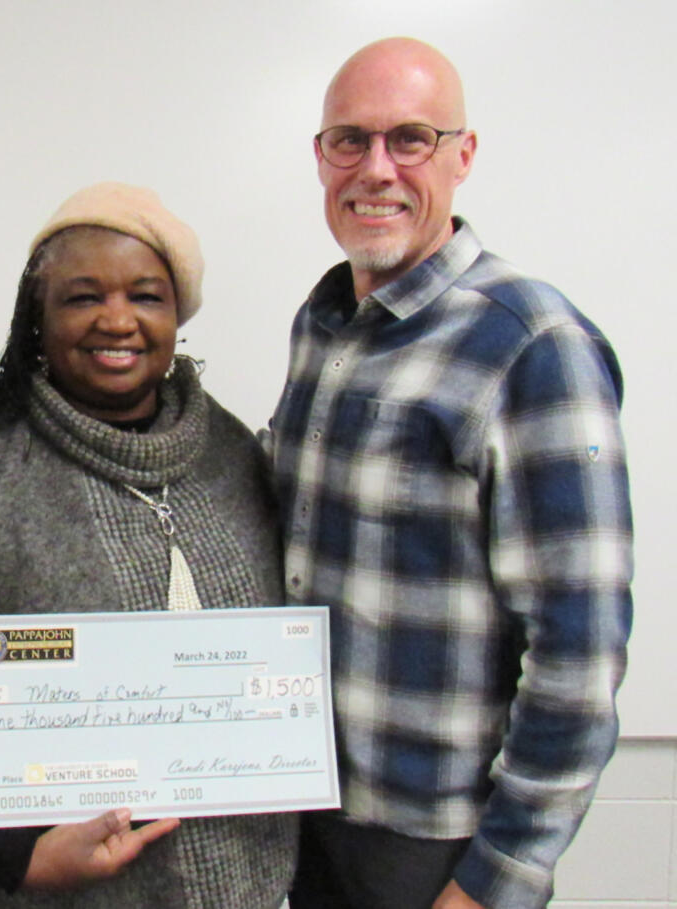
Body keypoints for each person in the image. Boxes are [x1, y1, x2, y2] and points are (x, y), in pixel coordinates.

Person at [264, 38, 633, 909]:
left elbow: (578, 658)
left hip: (435, 852)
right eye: (349, 140)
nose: (376, 168)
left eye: (411, 139)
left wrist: (494, 882)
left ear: (463, 155)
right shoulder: (321, 326)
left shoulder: (532, 345)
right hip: (308, 822)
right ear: (320, 158)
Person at [0, 182, 298, 907]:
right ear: (37, 317)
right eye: (81, 297)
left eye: (145, 295)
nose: (117, 320)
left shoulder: (235, 459)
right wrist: (17, 856)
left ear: (176, 315)